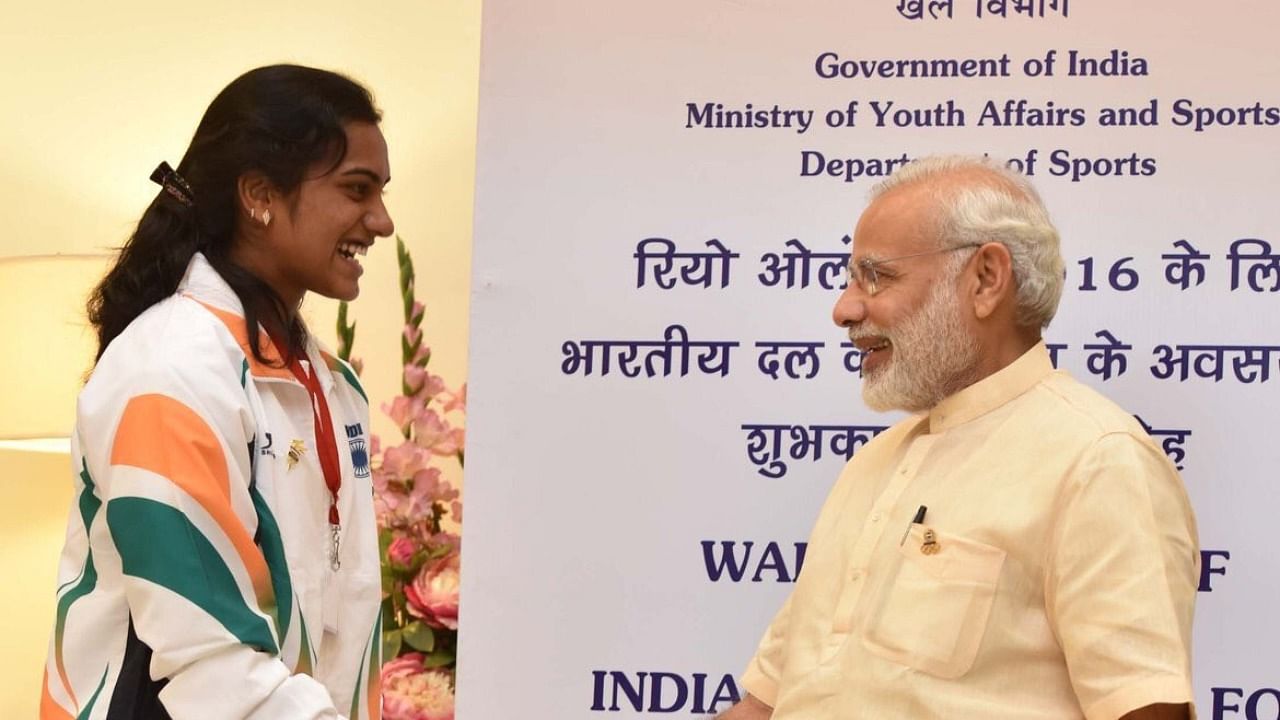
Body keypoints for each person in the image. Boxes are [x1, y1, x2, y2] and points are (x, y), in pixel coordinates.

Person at [719, 156, 1198, 720]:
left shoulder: (1097, 462)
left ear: (986, 279)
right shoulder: (875, 460)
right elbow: (766, 704)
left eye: (877, 276)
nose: (844, 309)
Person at [40, 64, 394, 719]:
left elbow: (345, 623)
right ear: (259, 194)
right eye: (356, 190)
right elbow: (213, 664)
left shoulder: (330, 384)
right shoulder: (168, 372)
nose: (381, 221)